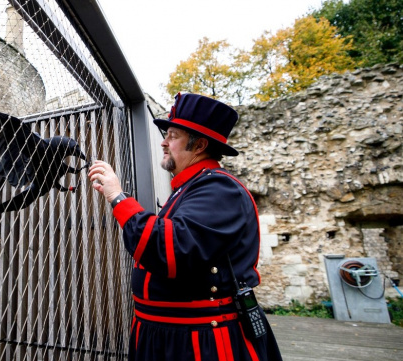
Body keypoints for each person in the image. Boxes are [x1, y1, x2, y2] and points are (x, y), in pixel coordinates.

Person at [88, 93, 282, 361]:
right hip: (168, 335)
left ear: (200, 145)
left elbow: (168, 251)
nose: (164, 143)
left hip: (199, 342)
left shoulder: (220, 189)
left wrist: (118, 197)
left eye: (173, 136)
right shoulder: (192, 188)